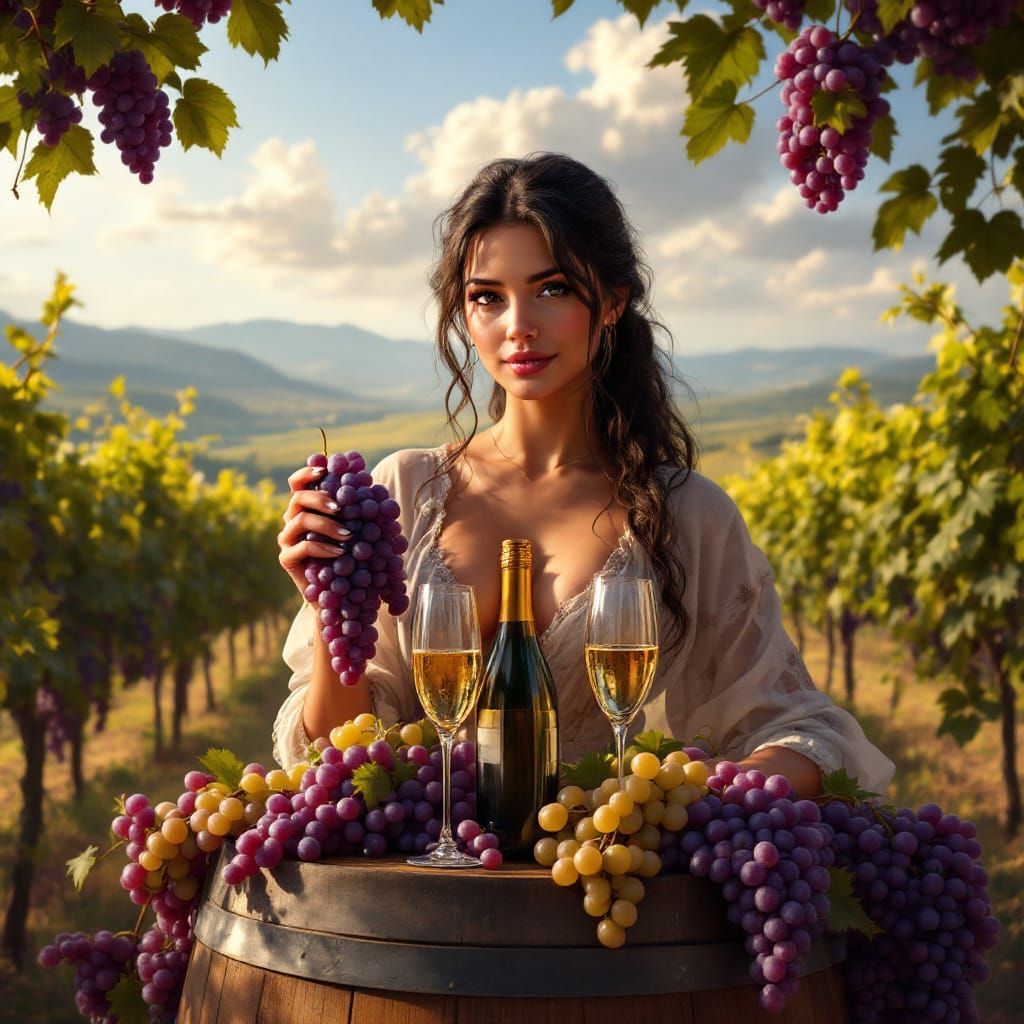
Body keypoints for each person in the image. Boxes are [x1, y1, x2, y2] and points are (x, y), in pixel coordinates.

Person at [273, 152, 894, 799]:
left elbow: (793, 728)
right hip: (428, 862)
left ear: (613, 301)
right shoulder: (405, 492)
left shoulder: (686, 513)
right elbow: (336, 758)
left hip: (600, 862)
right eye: (488, 297)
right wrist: (329, 606)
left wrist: (690, 802)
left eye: (554, 289)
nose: (519, 326)